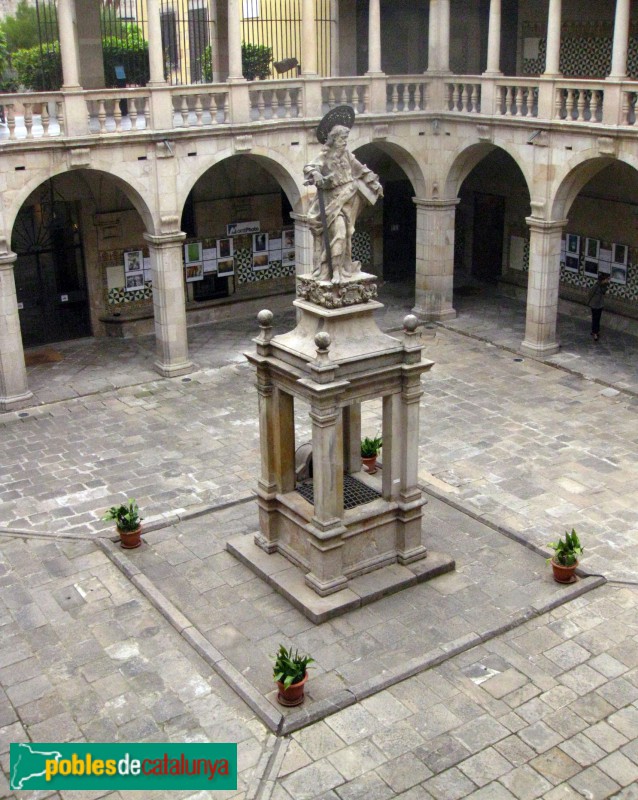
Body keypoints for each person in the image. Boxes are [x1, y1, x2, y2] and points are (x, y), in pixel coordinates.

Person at [303, 124, 382, 283]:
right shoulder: (324, 156)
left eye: (346, 139)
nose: (344, 142)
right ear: (333, 140)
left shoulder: (347, 155)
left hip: (349, 200)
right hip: (331, 201)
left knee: (347, 235)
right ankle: (335, 271)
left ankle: (341, 267)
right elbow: (309, 167)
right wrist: (316, 173)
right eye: (341, 139)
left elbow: (362, 171)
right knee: (340, 234)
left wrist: (375, 184)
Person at [587, 272, 610, 341]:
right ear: (603, 280)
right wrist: (590, 301)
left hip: (600, 305)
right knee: (595, 318)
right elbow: (590, 293)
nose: (607, 280)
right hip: (594, 305)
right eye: (606, 279)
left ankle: (596, 330)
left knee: (598, 318)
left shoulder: (604, 286)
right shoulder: (596, 286)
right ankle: (595, 332)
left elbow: (604, 292)